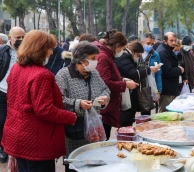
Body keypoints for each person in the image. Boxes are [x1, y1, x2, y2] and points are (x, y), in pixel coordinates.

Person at [2, 30, 77, 172]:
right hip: (36, 141)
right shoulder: (42, 75)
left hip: (17, 134)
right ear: (39, 50)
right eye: (49, 49)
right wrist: (71, 116)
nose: (51, 53)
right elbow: (44, 110)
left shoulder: (17, 67)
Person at [55, 41, 110, 172]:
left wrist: (104, 98)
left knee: (93, 162)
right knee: (75, 163)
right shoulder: (63, 76)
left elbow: (105, 89)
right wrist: (78, 104)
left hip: (94, 127)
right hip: (74, 129)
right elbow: (58, 101)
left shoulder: (94, 74)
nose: (95, 62)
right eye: (92, 59)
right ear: (80, 60)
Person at [94, 29, 138, 139]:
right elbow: (104, 82)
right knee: (103, 138)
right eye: (122, 49)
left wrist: (122, 79)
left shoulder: (108, 56)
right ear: (117, 46)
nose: (122, 52)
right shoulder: (103, 57)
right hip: (105, 106)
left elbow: (109, 76)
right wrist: (125, 85)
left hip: (109, 105)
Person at [116, 41, 158, 126]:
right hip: (126, 92)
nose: (138, 58)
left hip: (130, 92)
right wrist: (149, 70)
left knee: (129, 118)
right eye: (138, 55)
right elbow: (133, 73)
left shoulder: (128, 58)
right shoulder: (125, 58)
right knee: (126, 119)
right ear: (133, 51)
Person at [0, 27, 25, 163]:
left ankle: (11, 148)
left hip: (18, 92)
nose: (21, 40)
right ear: (11, 37)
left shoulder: (27, 50)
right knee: (2, 120)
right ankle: (3, 148)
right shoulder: (3, 50)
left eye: (23, 37)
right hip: (3, 90)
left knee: (15, 121)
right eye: (18, 38)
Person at [156, 32, 184, 112]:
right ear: (165, 41)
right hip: (166, 89)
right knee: (165, 113)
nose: (174, 43)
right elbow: (167, 71)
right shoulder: (163, 52)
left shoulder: (167, 50)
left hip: (170, 87)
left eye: (175, 40)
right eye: (171, 40)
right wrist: (179, 70)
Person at [140, 32, 162, 114]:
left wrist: (158, 91)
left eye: (152, 44)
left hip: (149, 86)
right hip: (137, 85)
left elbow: (159, 73)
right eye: (148, 43)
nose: (150, 46)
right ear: (142, 42)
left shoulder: (155, 55)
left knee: (146, 111)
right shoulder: (137, 53)